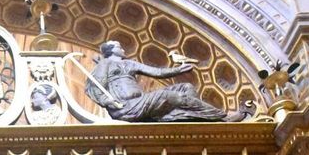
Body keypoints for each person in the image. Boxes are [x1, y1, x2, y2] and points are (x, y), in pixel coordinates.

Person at [86, 40, 246, 123]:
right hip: (126, 107)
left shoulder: (129, 63)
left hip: (141, 101)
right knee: (172, 97)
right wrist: (108, 100)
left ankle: (195, 119)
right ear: (111, 50)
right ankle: (222, 118)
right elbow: (94, 86)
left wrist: (177, 70)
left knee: (186, 87)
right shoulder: (105, 64)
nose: (123, 49)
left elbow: (157, 72)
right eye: (119, 47)